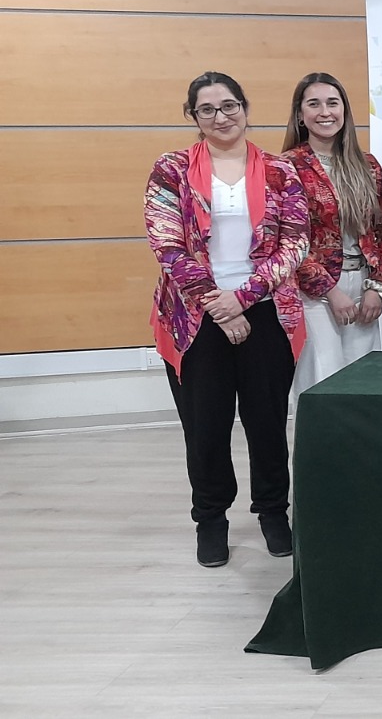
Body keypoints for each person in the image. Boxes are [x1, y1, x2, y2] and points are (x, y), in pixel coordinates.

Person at [144, 71, 309, 568]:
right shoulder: (170, 169)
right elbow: (166, 244)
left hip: (265, 311)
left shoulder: (281, 170)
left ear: (246, 108)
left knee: (267, 423)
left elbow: (295, 243)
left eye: (230, 105)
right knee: (206, 426)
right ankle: (210, 520)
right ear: (192, 116)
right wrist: (218, 303)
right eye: (208, 109)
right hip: (195, 316)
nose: (221, 117)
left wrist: (244, 298)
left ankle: (274, 513)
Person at [282, 72, 382, 396]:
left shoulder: (368, 166)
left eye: (333, 103)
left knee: (363, 385)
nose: (325, 112)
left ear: (344, 110)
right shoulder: (285, 168)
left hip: (362, 285)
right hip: (314, 293)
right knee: (322, 380)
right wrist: (329, 291)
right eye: (314, 104)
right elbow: (287, 241)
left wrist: (378, 287)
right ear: (300, 114)